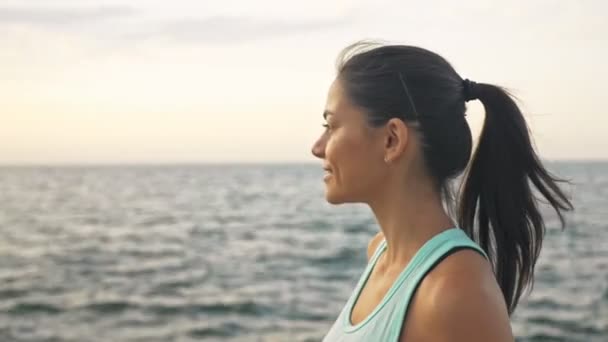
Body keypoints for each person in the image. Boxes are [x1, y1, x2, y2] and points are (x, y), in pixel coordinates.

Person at [311, 41, 574, 342]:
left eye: (331, 125)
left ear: (392, 140)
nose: (318, 147)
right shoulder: (380, 252)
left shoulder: (456, 290)